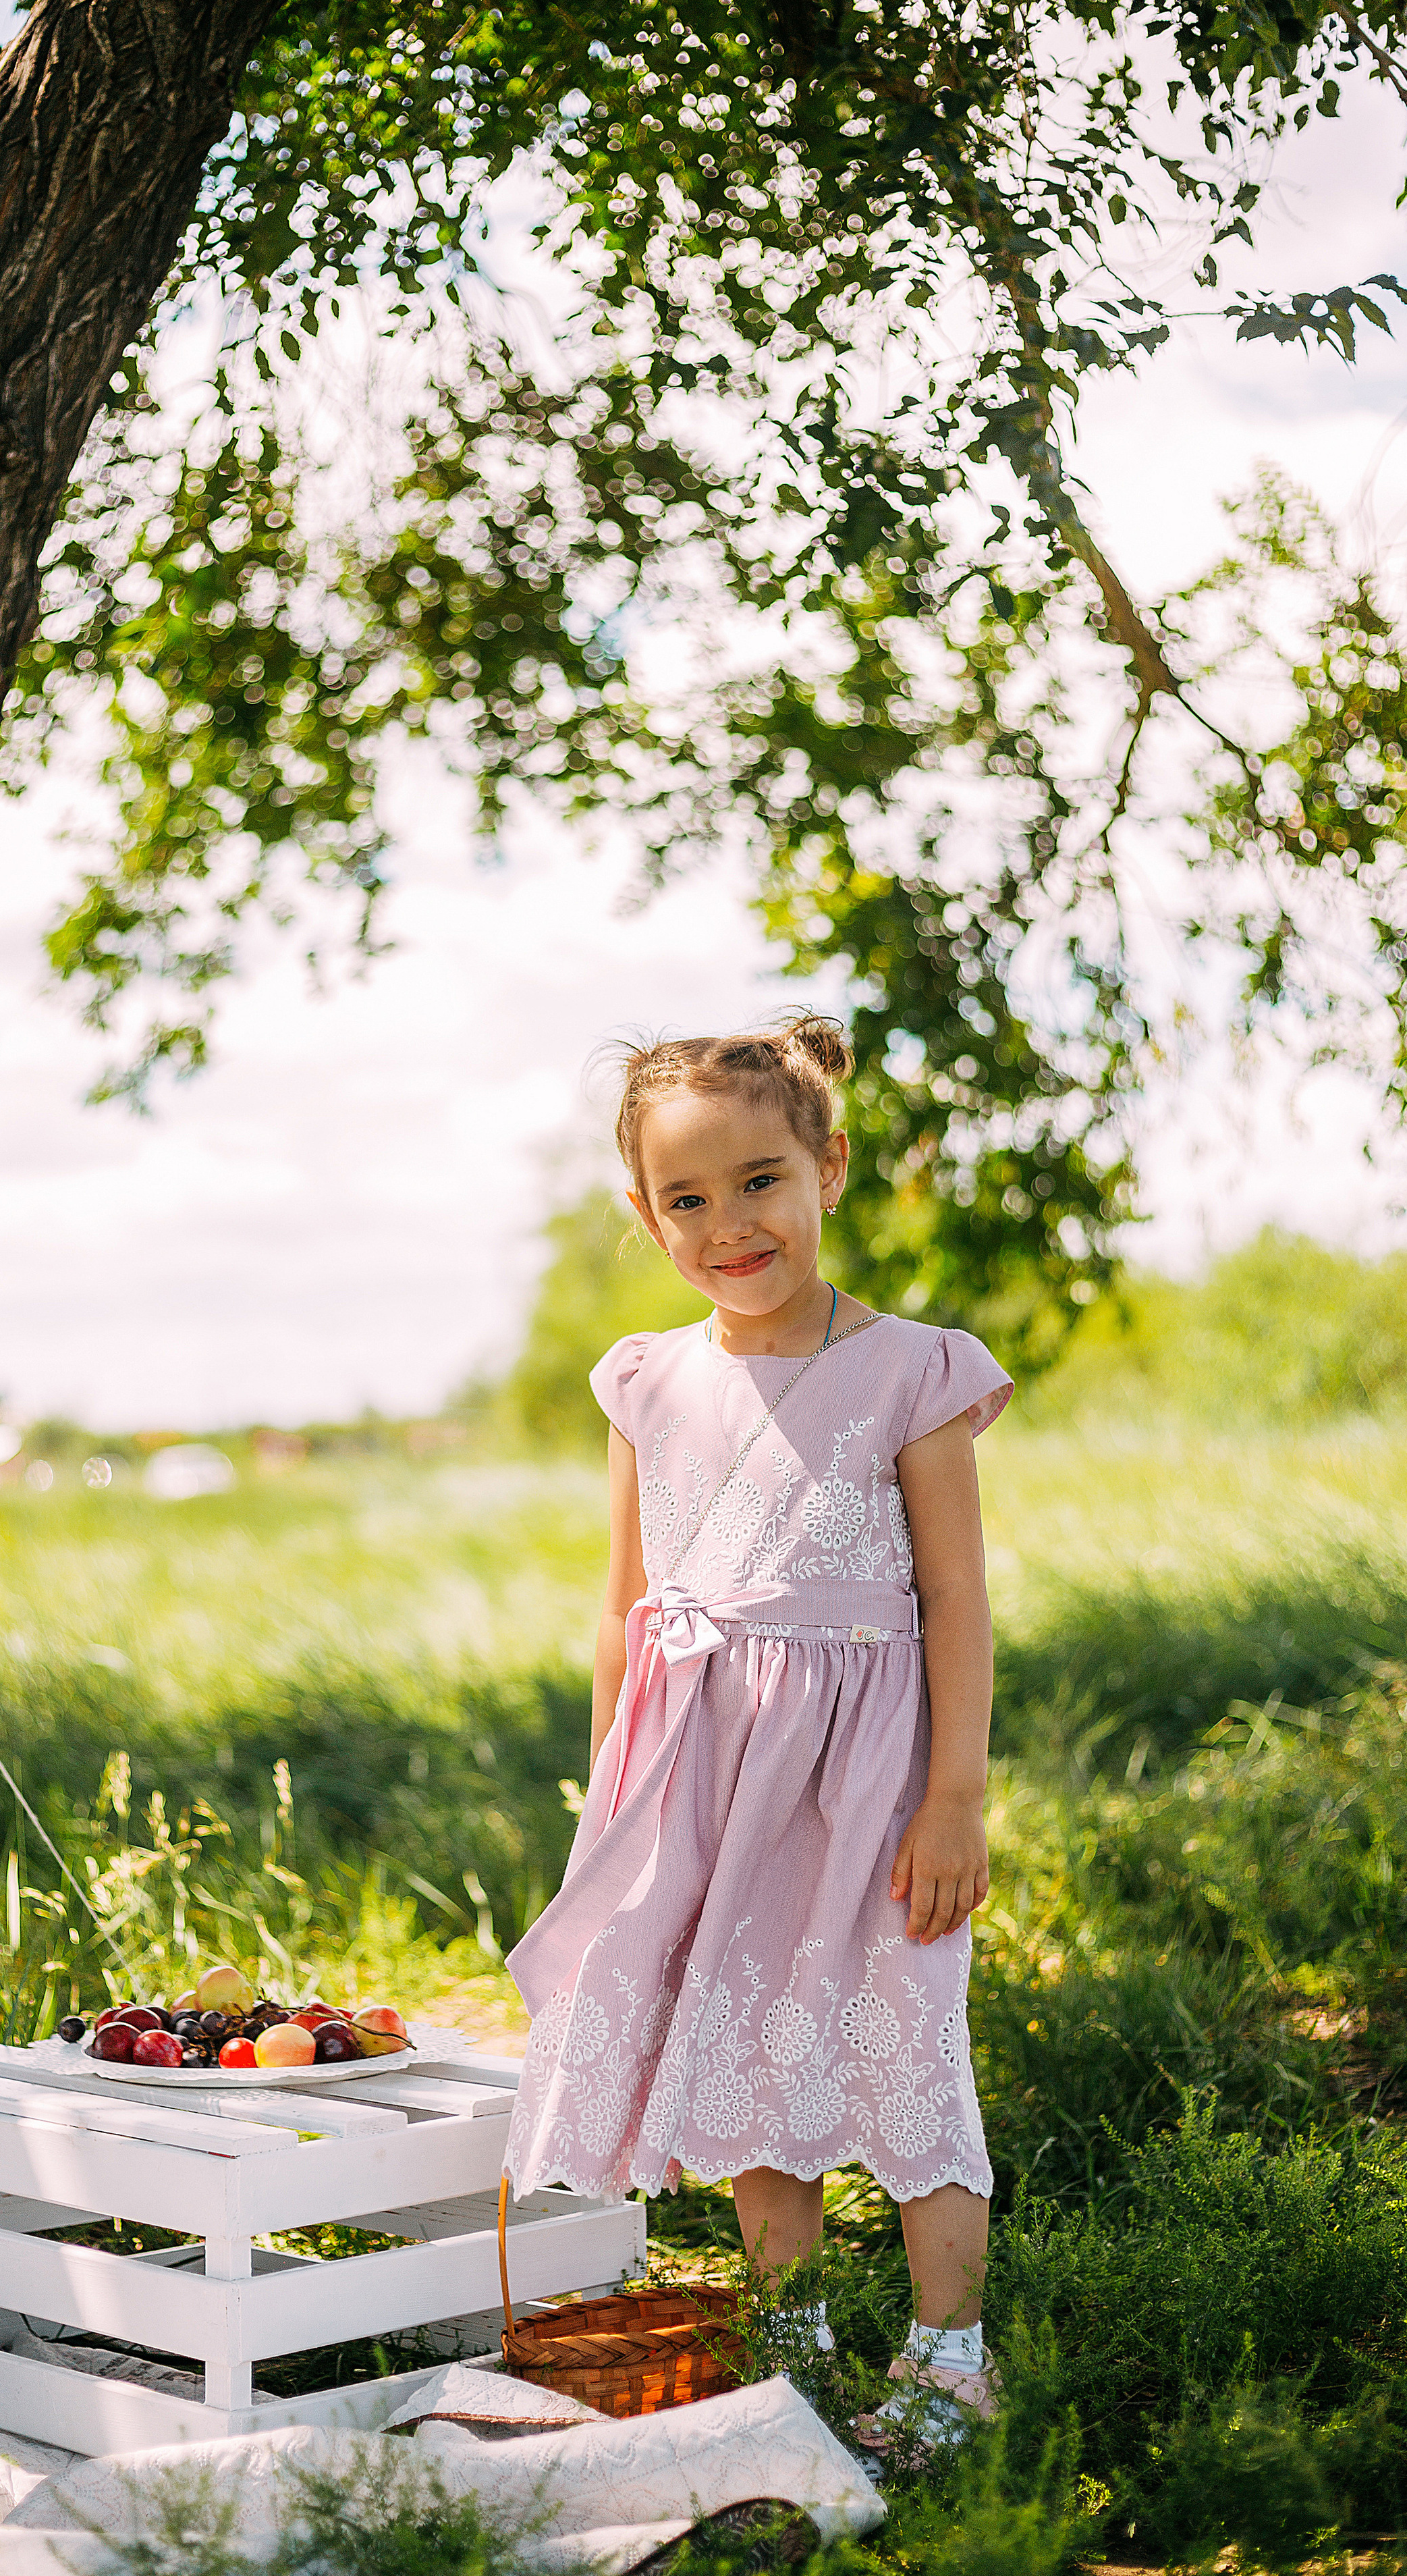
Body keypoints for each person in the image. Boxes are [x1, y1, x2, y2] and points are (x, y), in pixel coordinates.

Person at [504, 1015, 1010, 2454]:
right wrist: (610, 1802)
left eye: (759, 1182)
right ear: (641, 1214)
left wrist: (955, 1798)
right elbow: (624, 1611)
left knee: (900, 2035)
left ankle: (949, 2363)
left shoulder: (914, 1370)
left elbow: (959, 1601)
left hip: (867, 1779)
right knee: (735, 2051)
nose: (729, 1224)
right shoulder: (647, 1383)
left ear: (829, 1167)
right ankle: (789, 2349)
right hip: (701, 1770)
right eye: (686, 1199)